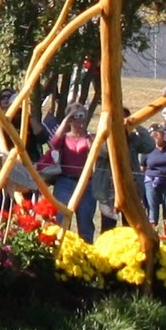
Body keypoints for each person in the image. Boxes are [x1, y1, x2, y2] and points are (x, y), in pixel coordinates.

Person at [48, 102, 97, 240]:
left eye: (81, 115)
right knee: (61, 221)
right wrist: (67, 119)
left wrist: (88, 139)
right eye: (75, 116)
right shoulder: (64, 138)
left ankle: (86, 256)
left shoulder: (90, 137)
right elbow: (53, 143)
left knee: (86, 224)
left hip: (85, 184)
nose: (78, 119)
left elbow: (97, 152)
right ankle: (61, 252)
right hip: (65, 182)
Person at [142, 125, 166, 224]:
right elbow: (142, 167)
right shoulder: (147, 149)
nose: (156, 136)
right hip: (151, 182)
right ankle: (153, 235)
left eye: (158, 133)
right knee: (152, 210)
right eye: (153, 134)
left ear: (163, 134)